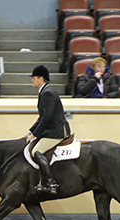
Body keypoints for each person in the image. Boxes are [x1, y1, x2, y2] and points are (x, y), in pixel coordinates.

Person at [25, 65, 71, 195]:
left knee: (36, 151)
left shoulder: (48, 93)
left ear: (40, 78)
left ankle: (52, 183)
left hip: (57, 131)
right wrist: (31, 131)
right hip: (52, 129)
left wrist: (35, 135)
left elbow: (47, 118)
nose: (32, 81)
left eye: (33, 78)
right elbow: (42, 117)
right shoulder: (45, 91)